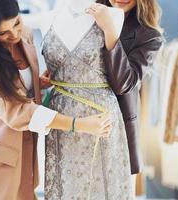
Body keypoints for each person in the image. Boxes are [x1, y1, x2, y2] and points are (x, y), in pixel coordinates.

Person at [0, 0, 111, 200]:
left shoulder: (24, 34)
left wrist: (36, 84)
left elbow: (17, 87)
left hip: (21, 157)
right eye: (3, 33)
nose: (14, 35)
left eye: (16, 23)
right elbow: (17, 112)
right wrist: (78, 124)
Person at [40, 0, 134, 199]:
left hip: (101, 118)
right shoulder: (47, 18)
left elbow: (122, 80)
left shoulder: (113, 16)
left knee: (102, 186)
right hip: (61, 120)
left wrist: (109, 28)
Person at [96, 0, 163, 175]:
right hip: (79, 121)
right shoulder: (87, 18)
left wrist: (110, 31)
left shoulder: (149, 36)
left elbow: (123, 83)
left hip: (118, 128)